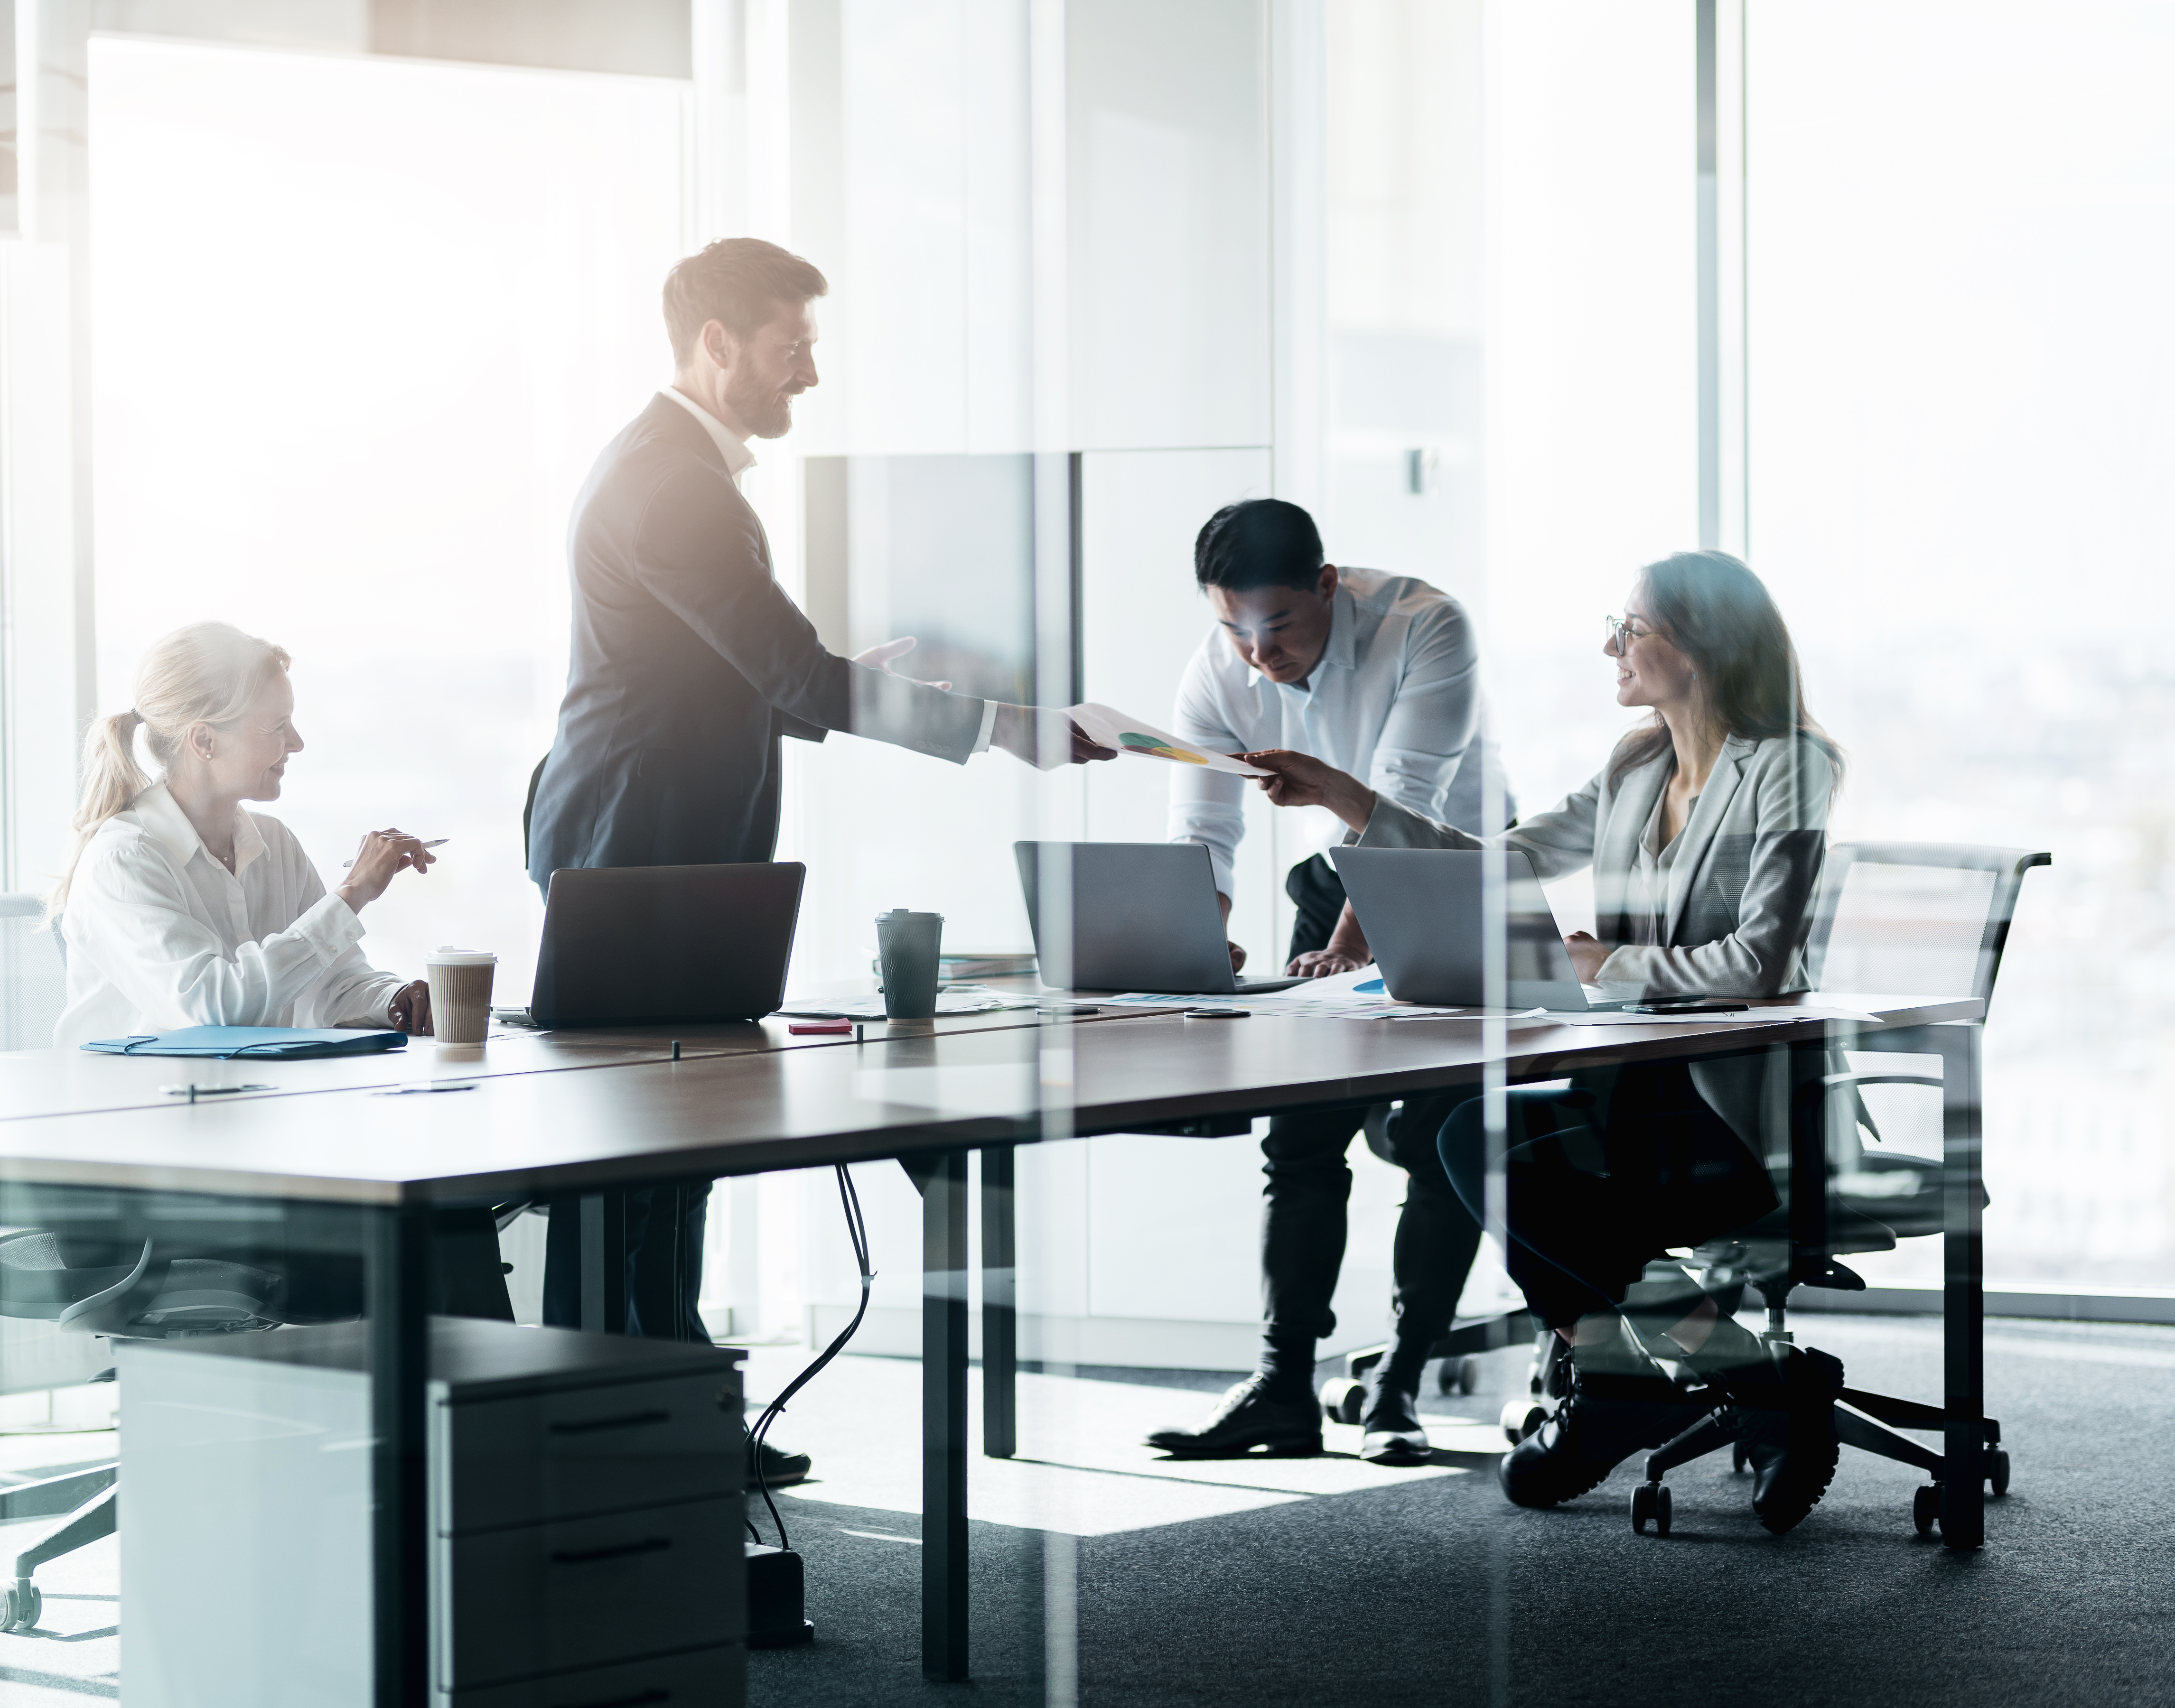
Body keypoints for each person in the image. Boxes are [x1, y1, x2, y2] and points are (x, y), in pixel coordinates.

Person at [523, 238, 1113, 1484]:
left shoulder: (672, 469)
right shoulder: (674, 482)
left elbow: (741, 679)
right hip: (641, 852)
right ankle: (635, 1438)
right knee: (638, 1161)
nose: (810, 378)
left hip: (656, 845)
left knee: (661, 1160)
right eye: (795, 350)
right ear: (719, 344)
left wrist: (858, 687)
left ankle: (660, 1424)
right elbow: (787, 674)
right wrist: (1004, 730)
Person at [1242, 549, 1845, 1532]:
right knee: (1468, 1134)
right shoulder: (1638, 763)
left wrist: (1604, 965)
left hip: (1741, 1107)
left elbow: (1764, 965)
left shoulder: (1788, 766)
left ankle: (1641, 1380)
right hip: (1637, 1085)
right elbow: (1499, 862)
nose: (1611, 644)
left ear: (1697, 647)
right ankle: (1686, 1374)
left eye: (1632, 626)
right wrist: (1343, 797)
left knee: (1534, 1171)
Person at [1145, 499, 1511, 1467]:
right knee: (1301, 1142)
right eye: (1234, 629)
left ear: (1326, 584)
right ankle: (1283, 1389)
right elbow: (1204, 833)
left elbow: (1407, 807)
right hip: (1333, 880)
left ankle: (1397, 1383)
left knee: (1440, 1142)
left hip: (1451, 874)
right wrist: (1200, 943)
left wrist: (1355, 945)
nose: (1257, 654)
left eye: (1279, 627)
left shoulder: (1428, 627)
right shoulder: (1217, 669)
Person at [52, 621, 513, 1319]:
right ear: (204, 738)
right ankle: (451, 1413)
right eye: (278, 727)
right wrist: (350, 895)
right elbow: (214, 1007)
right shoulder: (124, 859)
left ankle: (473, 1419)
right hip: (132, 1180)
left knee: (441, 1202)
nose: (296, 745)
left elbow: (327, 983)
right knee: (410, 1221)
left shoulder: (271, 843)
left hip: (246, 1147)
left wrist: (390, 1001)